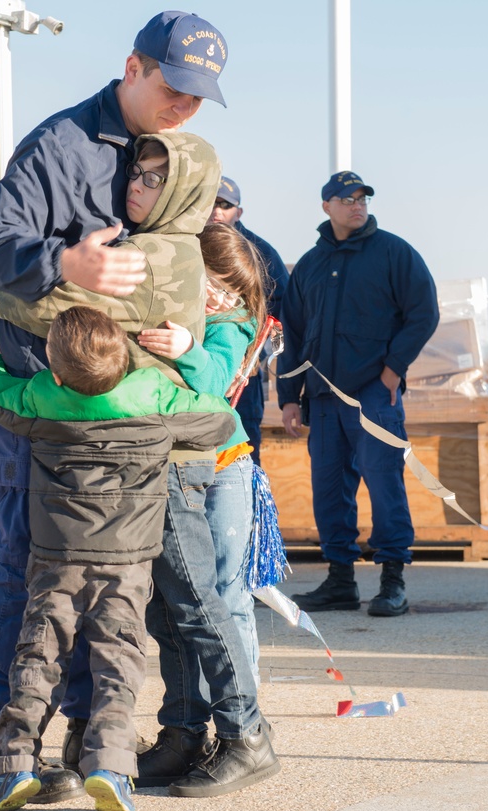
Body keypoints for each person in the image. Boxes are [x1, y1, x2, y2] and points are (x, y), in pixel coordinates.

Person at [0, 10, 229, 804]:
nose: (184, 105)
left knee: (115, 582)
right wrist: (61, 259)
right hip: (51, 410)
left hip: (136, 425)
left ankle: (89, 738)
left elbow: (197, 270)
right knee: (27, 567)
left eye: (199, 96)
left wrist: (191, 335)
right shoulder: (61, 143)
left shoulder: (179, 158)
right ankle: (0, 743)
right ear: (134, 67)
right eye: (174, 87)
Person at [0, 137, 279, 798]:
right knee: (168, 614)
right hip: (149, 459)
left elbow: (56, 310)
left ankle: (246, 732)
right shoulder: (159, 243)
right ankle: (183, 732)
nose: (138, 185)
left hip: (169, 459)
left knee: (199, 602)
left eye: (155, 176)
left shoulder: (163, 255)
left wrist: (16, 283)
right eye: (136, 172)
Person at [0, 306, 236, 811]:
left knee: (37, 662)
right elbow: (219, 420)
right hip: (127, 567)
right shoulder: (152, 394)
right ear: (123, 360)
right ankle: (111, 769)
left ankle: (12, 769)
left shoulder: (41, 397)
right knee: (119, 666)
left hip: (56, 564)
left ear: (54, 369)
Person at [276, 171, 439, 617]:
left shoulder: (393, 252)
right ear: (326, 206)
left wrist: (392, 370)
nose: (356, 205)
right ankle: (340, 581)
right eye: (345, 199)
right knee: (328, 488)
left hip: (372, 392)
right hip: (323, 397)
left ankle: (392, 580)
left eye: (361, 197)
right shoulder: (308, 265)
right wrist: (289, 394)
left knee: (383, 482)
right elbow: (291, 333)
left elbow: (423, 312)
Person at [137, 222, 268, 693]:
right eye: (214, 282)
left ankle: (245, 714)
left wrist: (189, 349)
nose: (221, 297)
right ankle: (191, 716)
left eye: (233, 290)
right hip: (175, 467)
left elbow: (213, 384)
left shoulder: (231, 326)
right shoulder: (171, 309)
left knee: (227, 592)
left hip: (224, 466)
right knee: (178, 602)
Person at [208, 177, 289, 464]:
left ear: (238, 212)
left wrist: (255, 338)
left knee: (244, 452)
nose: (217, 210)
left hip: (245, 370)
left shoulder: (259, 251)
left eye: (225, 204)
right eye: (212, 201)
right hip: (199, 365)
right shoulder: (189, 242)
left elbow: (285, 304)